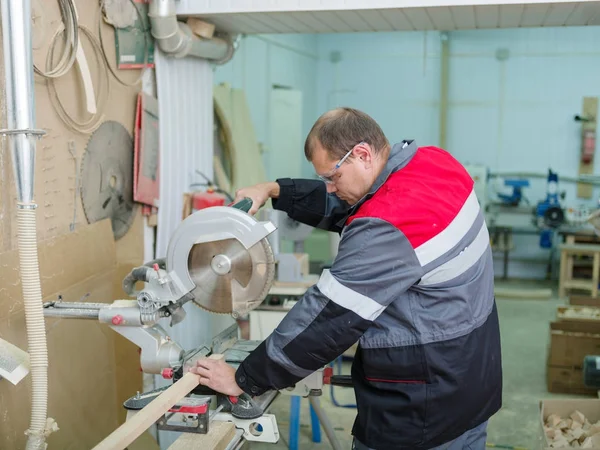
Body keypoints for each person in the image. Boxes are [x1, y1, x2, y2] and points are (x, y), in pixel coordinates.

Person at [190, 107, 503, 449]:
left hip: (422, 411)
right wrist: (274, 190)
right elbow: (355, 204)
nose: (330, 188)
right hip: (471, 382)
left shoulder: (385, 227)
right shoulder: (435, 164)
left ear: (363, 154)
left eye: (332, 177)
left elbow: (326, 321)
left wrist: (246, 378)